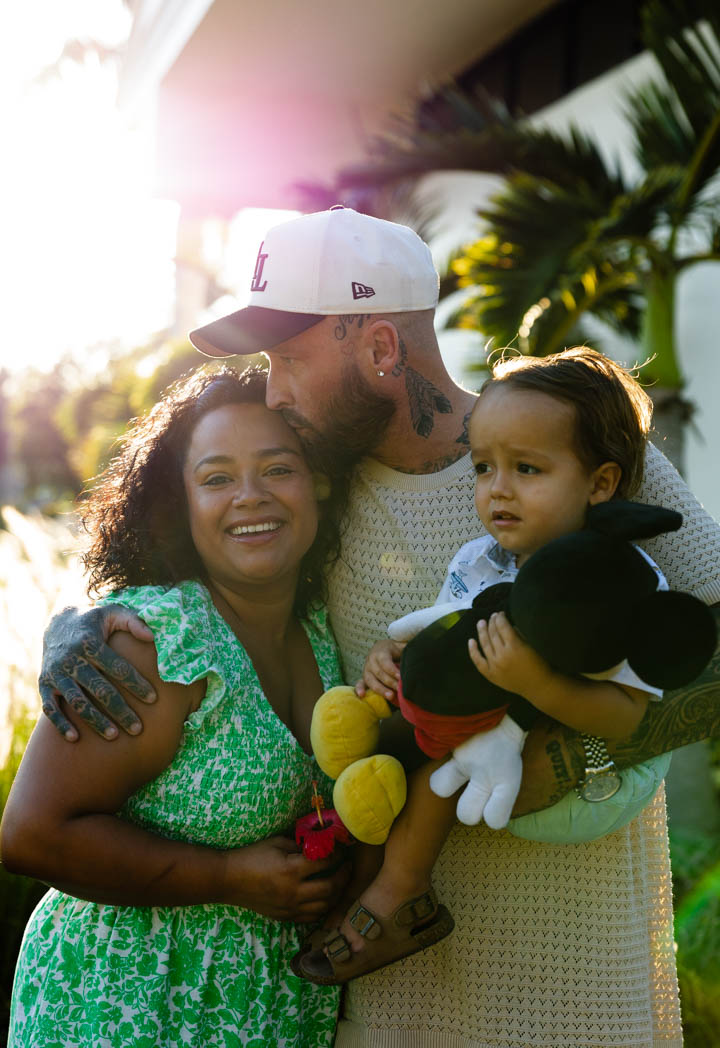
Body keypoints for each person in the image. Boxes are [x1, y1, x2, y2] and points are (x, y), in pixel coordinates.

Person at [37, 208, 720, 1047]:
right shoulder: (312, 492)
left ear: (383, 350)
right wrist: (70, 624)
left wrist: (585, 754)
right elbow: (183, 595)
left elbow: (705, 659)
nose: (274, 392)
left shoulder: (578, 454)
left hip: (578, 979)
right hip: (390, 997)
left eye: (289, 359)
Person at [294, 347, 673, 985]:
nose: (497, 488)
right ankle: (350, 864)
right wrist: (395, 660)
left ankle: (403, 894)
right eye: (483, 467)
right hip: (488, 749)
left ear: (601, 484)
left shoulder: (621, 583)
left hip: (581, 781)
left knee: (445, 748)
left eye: (526, 468)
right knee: (407, 732)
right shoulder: (480, 560)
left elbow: (630, 718)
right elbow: (445, 642)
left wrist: (535, 682)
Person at [1, 365, 354, 1048]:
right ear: (181, 505)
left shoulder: (321, 625)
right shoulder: (154, 647)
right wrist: (225, 877)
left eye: (277, 469)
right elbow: (31, 835)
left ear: (319, 484)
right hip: (123, 1009)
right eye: (217, 478)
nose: (250, 497)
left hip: (257, 1012)